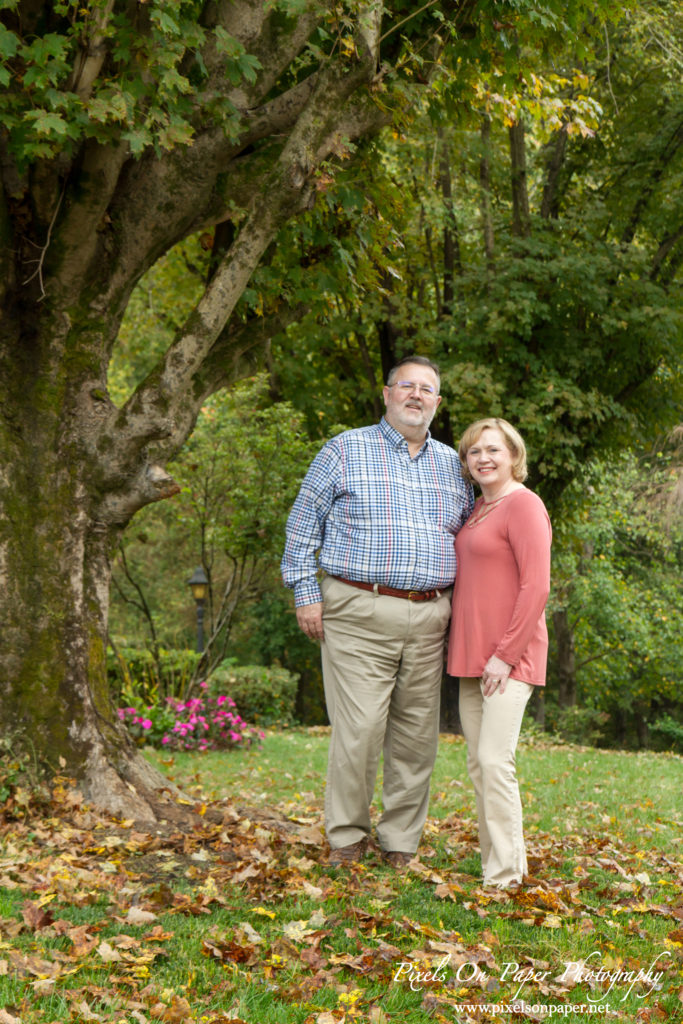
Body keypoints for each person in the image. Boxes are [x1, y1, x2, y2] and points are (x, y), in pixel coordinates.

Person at [281, 356, 473, 867]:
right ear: (386, 394)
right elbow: (302, 526)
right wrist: (305, 592)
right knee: (360, 730)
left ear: (437, 402)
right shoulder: (344, 450)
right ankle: (346, 837)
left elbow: (470, 541)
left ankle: (400, 843)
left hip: (431, 615)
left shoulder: (454, 465)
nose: (415, 395)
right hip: (358, 610)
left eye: (426, 389)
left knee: (416, 737)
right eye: (405, 386)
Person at [447, 417, 551, 888]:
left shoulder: (524, 506)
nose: (483, 458)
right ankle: (499, 863)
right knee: (478, 764)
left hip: (510, 656)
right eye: (473, 452)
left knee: (494, 760)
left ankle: (506, 876)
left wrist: (505, 655)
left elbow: (536, 587)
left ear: (513, 455)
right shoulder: (476, 510)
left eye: (493, 449)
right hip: (472, 655)